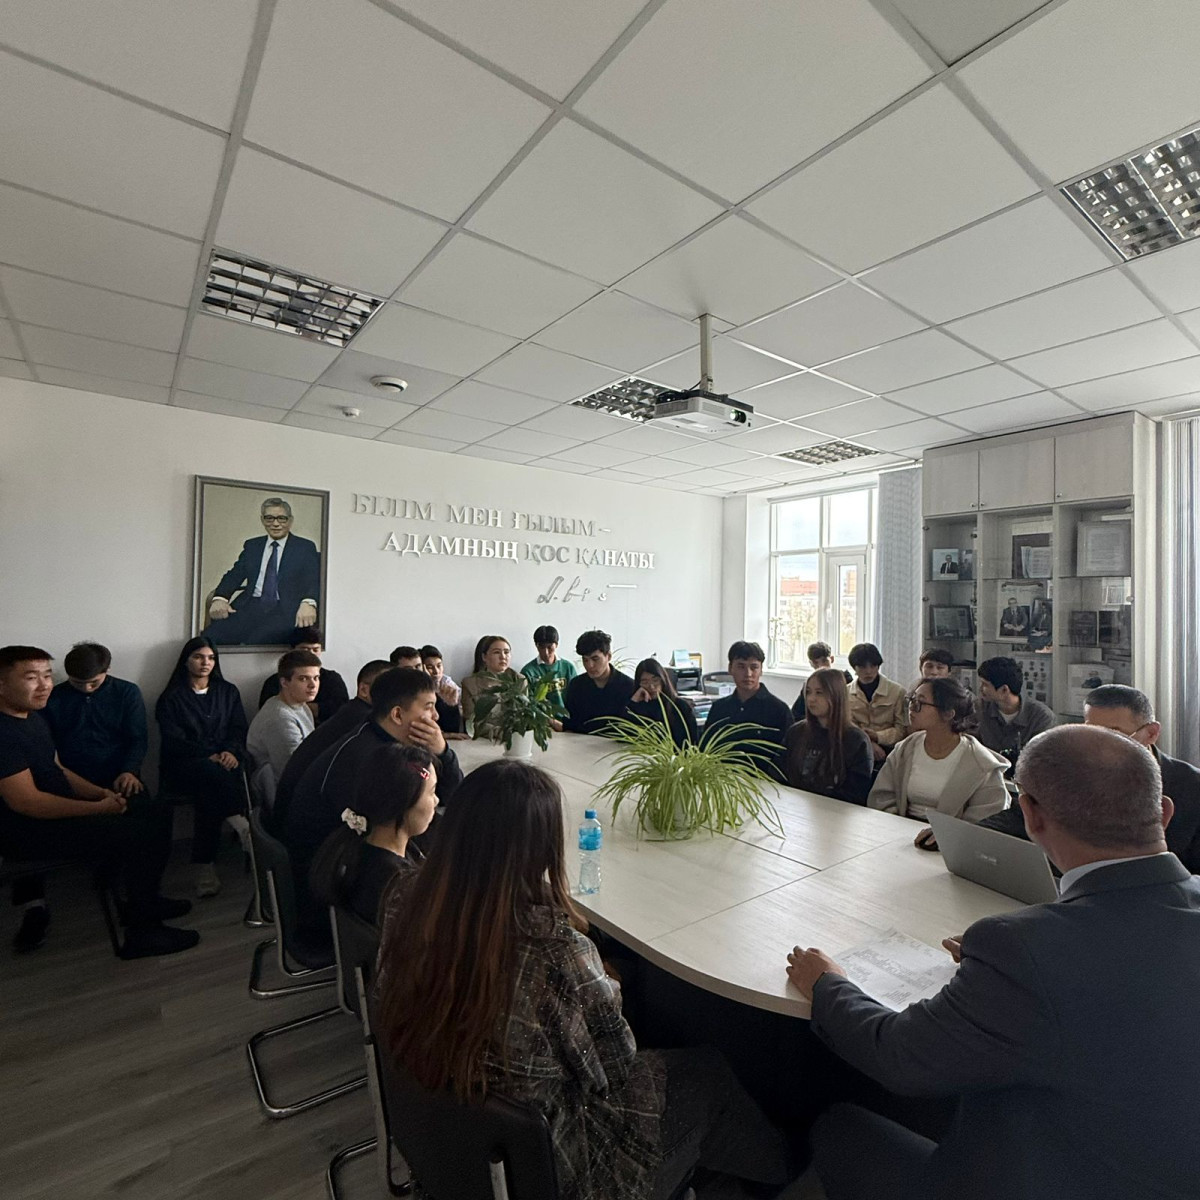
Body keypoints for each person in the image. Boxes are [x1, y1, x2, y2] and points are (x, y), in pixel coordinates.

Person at [787, 725, 1200, 1200]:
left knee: (837, 1124)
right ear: (1163, 812)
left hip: (1047, 1176)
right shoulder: (1030, 948)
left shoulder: (1022, 947)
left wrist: (827, 983)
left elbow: (899, 1056)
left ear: (1030, 816)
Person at [377, 759, 792, 1200]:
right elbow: (615, 1066)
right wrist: (605, 987)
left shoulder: (403, 897)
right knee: (708, 1074)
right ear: (540, 849)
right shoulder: (554, 949)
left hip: (450, 1133)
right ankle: (786, 1174)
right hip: (557, 1168)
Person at [0, 646, 198, 958]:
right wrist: (97, 808)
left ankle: (144, 902)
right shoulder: (4, 733)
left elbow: (58, 768)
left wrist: (100, 794)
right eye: (31, 678)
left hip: (59, 808)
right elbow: (28, 803)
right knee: (138, 834)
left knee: (156, 812)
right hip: (28, 830)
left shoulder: (32, 717)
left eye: (47, 676)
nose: (44, 685)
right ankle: (142, 933)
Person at [283, 668, 462, 941]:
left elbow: (445, 798)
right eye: (428, 707)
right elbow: (438, 809)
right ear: (397, 715)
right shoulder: (371, 761)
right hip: (329, 900)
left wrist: (443, 752)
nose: (436, 717)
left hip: (340, 881)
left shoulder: (377, 739)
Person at [981, 684, 1200, 872]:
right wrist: (974, 839)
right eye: (1091, 731)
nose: (1098, 745)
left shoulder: (1192, 788)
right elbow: (1017, 819)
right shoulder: (1070, 772)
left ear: (1151, 733)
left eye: (1114, 734)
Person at [155, 636, 249, 898]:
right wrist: (209, 756)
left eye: (210, 658)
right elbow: (174, 741)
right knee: (210, 776)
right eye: (198, 657)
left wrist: (230, 751)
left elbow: (238, 728)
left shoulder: (227, 691)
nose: (205, 663)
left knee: (210, 790)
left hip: (224, 765)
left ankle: (204, 866)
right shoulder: (171, 697)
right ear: (186, 661)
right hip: (184, 765)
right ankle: (241, 824)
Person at [308, 743, 437, 928]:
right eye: (432, 792)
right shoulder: (398, 886)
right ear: (403, 802)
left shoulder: (355, 850)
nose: (436, 801)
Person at [868, 678, 1008, 844]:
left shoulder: (981, 764)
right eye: (912, 700)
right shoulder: (905, 749)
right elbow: (881, 797)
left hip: (952, 846)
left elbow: (985, 819)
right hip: (898, 838)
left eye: (920, 703)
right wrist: (900, 829)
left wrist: (947, 835)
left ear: (948, 713)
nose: (911, 708)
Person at [272, 659, 391, 826]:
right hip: (305, 826)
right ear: (364, 690)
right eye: (388, 688)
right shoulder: (364, 722)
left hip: (293, 816)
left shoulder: (353, 711)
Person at [205, 496, 321, 646]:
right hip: (250, 606)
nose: (275, 524)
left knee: (255, 641)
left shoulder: (304, 547)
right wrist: (220, 598)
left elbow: (314, 579)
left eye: (281, 518)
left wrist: (309, 602)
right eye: (269, 518)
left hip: (284, 609)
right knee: (209, 638)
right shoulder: (253, 546)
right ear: (262, 520)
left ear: (290, 521)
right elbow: (234, 575)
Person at [701, 640, 792, 781]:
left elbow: (787, 759)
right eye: (741, 666)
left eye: (754, 667)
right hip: (721, 782)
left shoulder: (778, 710)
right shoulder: (719, 708)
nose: (748, 674)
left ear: (761, 670)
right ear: (730, 668)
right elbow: (706, 751)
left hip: (763, 785)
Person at [784, 669, 873, 805]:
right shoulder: (796, 732)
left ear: (836, 695)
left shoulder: (856, 740)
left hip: (836, 811)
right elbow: (778, 774)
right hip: (794, 806)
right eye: (808, 692)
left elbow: (856, 794)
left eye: (819, 693)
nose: (811, 699)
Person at [246, 649, 320, 793]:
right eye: (303, 679)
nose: (313, 685)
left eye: (316, 678)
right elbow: (293, 770)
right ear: (284, 682)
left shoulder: (301, 705)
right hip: (283, 791)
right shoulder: (280, 717)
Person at [257, 627, 348, 725]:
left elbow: (343, 710)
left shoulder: (332, 679)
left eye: (315, 650)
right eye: (305, 649)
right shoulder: (274, 682)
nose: (311, 654)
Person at [974, 656, 1055, 764]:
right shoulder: (978, 708)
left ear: (1004, 690)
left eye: (985, 685)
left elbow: (1041, 759)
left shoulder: (1041, 717)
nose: (980, 689)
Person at [562, 630, 637, 737]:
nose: (590, 665)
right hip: (579, 744)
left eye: (595, 659)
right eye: (585, 660)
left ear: (608, 656)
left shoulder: (628, 687)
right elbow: (569, 724)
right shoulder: (576, 685)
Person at [846, 643, 908, 765]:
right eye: (862, 666)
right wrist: (869, 743)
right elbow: (847, 726)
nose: (868, 671)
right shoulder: (845, 693)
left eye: (873, 665)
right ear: (854, 668)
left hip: (891, 750)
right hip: (856, 748)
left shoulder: (897, 692)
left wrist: (877, 736)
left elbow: (902, 729)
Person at [461, 636, 528, 740]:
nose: (503, 657)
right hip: (484, 741)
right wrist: (500, 732)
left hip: (516, 738)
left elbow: (524, 714)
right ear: (484, 657)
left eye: (506, 652)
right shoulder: (470, 684)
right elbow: (472, 722)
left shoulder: (519, 680)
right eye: (497, 652)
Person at [627, 658, 699, 747]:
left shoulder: (680, 706)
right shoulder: (638, 707)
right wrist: (633, 702)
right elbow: (625, 735)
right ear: (638, 684)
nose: (651, 686)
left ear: (663, 680)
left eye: (655, 680)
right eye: (645, 682)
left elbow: (694, 742)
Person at [520, 625, 576, 723]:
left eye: (550, 647)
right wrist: (551, 722)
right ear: (536, 646)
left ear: (556, 645)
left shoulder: (568, 667)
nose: (546, 652)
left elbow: (576, 697)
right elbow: (528, 704)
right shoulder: (528, 671)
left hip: (569, 721)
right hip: (542, 723)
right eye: (541, 647)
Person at [791, 642, 852, 721]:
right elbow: (796, 714)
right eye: (816, 663)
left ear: (832, 659)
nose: (821, 666)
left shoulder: (845, 679)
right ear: (811, 663)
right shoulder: (810, 685)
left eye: (824, 661)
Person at [419, 644, 465, 737]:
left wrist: (452, 706)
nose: (436, 671)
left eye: (439, 666)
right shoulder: (418, 688)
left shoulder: (447, 682)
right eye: (430, 667)